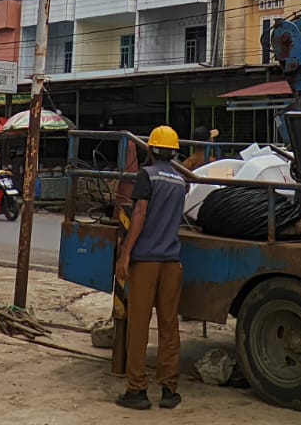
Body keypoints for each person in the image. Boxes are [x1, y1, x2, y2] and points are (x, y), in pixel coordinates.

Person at [115, 125, 188, 410]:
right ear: (173, 152)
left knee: (138, 326)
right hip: (172, 262)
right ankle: (169, 390)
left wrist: (125, 253)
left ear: (151, 149)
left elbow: (140, 212)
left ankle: (137, 390)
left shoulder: (147, 175)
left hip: (146, 261)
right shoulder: (181, 180)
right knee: (169, 326)